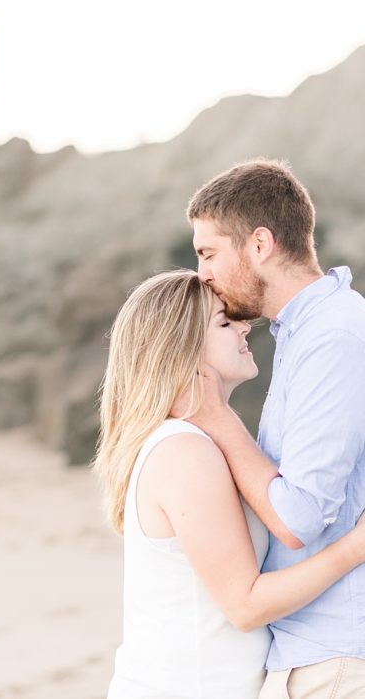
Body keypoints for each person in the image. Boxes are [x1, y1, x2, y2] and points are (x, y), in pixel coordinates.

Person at [93, 269, 365, 699]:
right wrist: (355, 546)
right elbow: (246, 604)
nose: (243, 326)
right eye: (223, 322)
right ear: (180, 350)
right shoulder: (185, 453)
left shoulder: (201, 442)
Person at [185, 159, 365, 698]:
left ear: (260, 244)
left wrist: (215, 416)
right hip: (318, 655)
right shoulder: (308, 330)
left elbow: (297, 516)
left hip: (334, 660)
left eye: (209, 253)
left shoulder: (331, 336)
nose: (203, 274)